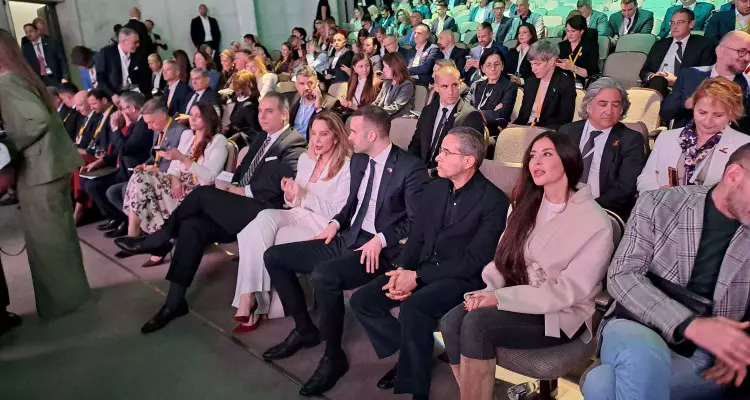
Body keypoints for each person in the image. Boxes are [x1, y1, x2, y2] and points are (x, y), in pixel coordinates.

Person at [262, 105, 428, 397]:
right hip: (349, 236)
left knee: (324, 275)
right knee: (274, 257)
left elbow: (416, 222)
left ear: (371, 135)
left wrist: (381, 239)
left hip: (378, 251)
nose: (348, 137)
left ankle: (333, 357)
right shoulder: (360, 161)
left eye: (353, 131)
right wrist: (335, 223)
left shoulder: (410, 168)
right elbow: (352, 204)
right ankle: (305, 329)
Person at [440, 130, 614, 400]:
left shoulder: (595, 222)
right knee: (450, 321)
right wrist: (488, 292)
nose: (536, 162)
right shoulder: (524, 204)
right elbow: (502, 259)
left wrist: (499, 298)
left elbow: (566, 293)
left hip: (560, 312)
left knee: (477, 324)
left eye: (547, 154)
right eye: (532, 156)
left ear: (567, 159)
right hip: (516, 295)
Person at [115, 92, 307, 332]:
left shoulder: (294, 142)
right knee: (192, 225)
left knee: (202, 193)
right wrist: (230, 183)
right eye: (260, 111)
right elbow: (241, 171)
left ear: (284, 114)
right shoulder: (261, 137)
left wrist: (240, 190)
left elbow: (280, 181)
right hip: (240, 206)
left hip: (265, 212)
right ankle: (174, 302)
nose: (262, 116)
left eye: (269, 111)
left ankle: (158, 239)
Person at [582, 144, 750, 400]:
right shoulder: (660, 203)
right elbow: (621, 276)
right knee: (643, 354)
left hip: (704, 353)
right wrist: (689, 324)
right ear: (734, 175)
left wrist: (742, 348)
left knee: (602, 384)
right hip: (636, 325)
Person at [352, 126, 508, 400]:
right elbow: (417, 237)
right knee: (363, 300)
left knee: (414, 306)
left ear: (468, 161)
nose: (437, 156)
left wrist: (417, 277)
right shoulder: (434, 188)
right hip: (421, 268)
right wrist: (402, 270)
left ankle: (417, 386)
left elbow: (475, 260)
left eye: (446, 152)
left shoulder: (494, 200)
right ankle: (413, 351)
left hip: (461, 277)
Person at [232, 111, 352, 332]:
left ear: (336, 137)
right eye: (313, 133)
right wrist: (290, 194)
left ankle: (253, 302)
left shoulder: (347, 167)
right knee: (261, 220)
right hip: (297, 214)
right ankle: (248, 296)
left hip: (321, 225)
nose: (316, 140)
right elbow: (293, 202)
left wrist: (305, 194)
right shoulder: (306, 159)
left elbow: (339, 213)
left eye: (323, 134)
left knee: (262, 238)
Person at [0, 28, 91, 318]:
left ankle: (62, 304)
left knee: (47, 242)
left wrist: (7, 146)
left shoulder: (6, 81)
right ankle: (75, 296)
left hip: (39, 170)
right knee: (61, 237)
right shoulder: (23, 76)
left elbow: (35, 120)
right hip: (53, 165)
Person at [123, 101, 227, 254]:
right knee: (139, 176)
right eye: (191, 115)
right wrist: (174, 179)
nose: (192, 118)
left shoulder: (218, 140)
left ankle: (148, 239)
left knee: (143, 184)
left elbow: (209, 177)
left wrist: (183, 159)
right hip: (178, 184)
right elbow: (173, 167)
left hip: (197, 191)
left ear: (208, 118)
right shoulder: (188, 136)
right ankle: (136, 236)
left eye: (198, 116)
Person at [639, 77, 750, 193]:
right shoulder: (666, 137)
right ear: (693, 107)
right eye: (702, 112)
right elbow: (645, 178)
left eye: (718, 115)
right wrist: (659, 194)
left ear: (731, 114)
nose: (707, 121)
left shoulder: (744, 146)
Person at [558, 77, 646, 220]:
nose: (609, 111)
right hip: (563, 205)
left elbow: (625, 188)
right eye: (603, 104)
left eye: (616, 105)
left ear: (622, 109)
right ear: (588, 106)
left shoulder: (631, 140)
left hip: (604, 211)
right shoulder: (567, 131)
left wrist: (589, 208)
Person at [81, 92, 153, 240]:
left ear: (132, 108)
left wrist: (115, 128)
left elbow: (125, 148)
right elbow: (118, 151)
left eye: (122, 108)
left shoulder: (143, 125)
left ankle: (125, 221)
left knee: (100, 187)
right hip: (122, 170)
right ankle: (116, 218)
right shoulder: (135, 124)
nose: (120, 112)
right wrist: (101, 161)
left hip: (132, 173)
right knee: (88, 183)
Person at [660, 31, 750, 132]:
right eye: (741, 51)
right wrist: (688, 103)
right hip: (683, 138)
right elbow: (665, 113)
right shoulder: (689, 75)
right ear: (720, 51)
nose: (747, 58)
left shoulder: (748, 86)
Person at [410, 65, 484, 168]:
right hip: (421, 170)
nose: (451, 91)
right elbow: (416, 144)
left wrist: (434, 172)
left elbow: (468, 158)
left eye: (454, 85)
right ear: (436, 87)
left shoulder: (471, 116)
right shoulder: (428, 110)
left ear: (460, 84)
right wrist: (413, 168)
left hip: (449, 173)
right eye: (445, 86)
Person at [640, 9, 715, 99]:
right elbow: (644, 71)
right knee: (658, 81)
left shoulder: (704, 44)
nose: (674, 26)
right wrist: (652, 76)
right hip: (655, 85)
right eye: (672, 23)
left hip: (684, 90)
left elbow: (705, 74)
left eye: (680, 22)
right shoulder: (659, 44)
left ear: (691, 24)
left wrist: (676, 80)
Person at [513, 40, 576, 129]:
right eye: (531, 64)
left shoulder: (565, 83)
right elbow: (522, 116)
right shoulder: (531, 81)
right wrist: (511, 127)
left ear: (551, 61)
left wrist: (536, 128)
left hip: (548, 132)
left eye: (537, 64)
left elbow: (564, 121)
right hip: (526, 128)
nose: (533, 69)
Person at [467, 48, 518, 135]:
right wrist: (491, 111)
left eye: (497, 64)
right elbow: (465, 108)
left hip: (493, 130)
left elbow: (502, 114)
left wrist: (475, 114)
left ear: (502, 66)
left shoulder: (509, 86)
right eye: (488, 65)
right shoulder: (476, 85)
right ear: (482, 68)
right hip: (471, 127)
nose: (493, 68)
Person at [288, 67, 340, 140]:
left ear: (317, 83)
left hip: (312, 144)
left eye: (310, 83)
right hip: (290, 142)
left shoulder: (332, 103)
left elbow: (330, 132)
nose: (306, 88)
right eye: (302, 84)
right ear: (296, 85)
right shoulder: (292, 98)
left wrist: (318, 108)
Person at [95, 28, 143, 97]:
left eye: (138, 42)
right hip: (111, 94)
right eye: (135, 42)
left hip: (130, 93)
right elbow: (101, 78)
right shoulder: (106, 53)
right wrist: (112, 95)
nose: (138, 44)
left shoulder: (137, 53)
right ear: (124, 41)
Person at [557, 15, 600, 89]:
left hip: (584, 84)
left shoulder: (590, 46)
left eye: (573, 31)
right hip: (564, 84)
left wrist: (572, 67)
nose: (569, 34)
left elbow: (591, 72)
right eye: (567, 31)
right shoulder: (562, 46)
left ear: (581, 31)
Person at [372, 52, 416, 119]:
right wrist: (369, 110)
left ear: (395, 68)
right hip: (382, 115)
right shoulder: (387, 81)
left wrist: (376, 113)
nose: (383, 70)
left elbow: (395, 107)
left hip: (397, 119)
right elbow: (378, 100)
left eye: (385, 67)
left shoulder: (407, 85)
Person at [226, 70, 262, 145]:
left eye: (238, 86)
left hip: (244, 145)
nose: (234, 89)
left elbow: (255, 133)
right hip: (235, 140)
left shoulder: (249, 107)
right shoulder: (239, 100)